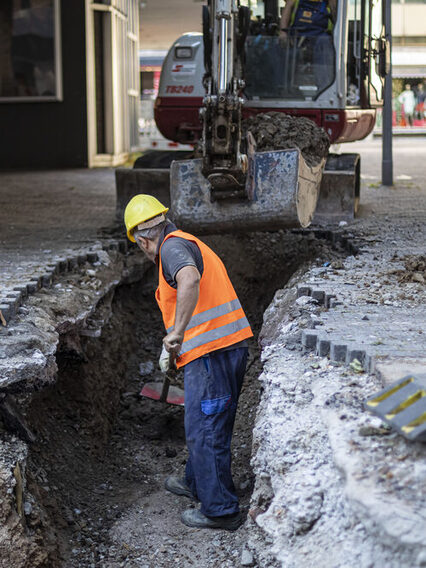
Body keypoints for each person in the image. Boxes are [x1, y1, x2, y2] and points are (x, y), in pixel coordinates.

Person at [124, 194, 253, 531]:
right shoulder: (181, 241)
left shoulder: (171, 249)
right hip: (219, 351)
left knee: (205, 430)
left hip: (213, 354)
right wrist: (176, 349)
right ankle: (197, 484)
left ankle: (221, 509)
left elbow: (190, 279)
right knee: (204, 425)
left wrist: (177, 333)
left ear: (144, 240)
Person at [279, 0, 337, 94]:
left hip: (320, 36)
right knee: (283, 53)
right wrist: (283, 32)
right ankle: (283, 88)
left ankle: (325, 90)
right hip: (297, 36)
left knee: (324, 46)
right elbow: (287, 8)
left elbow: (335, 13)